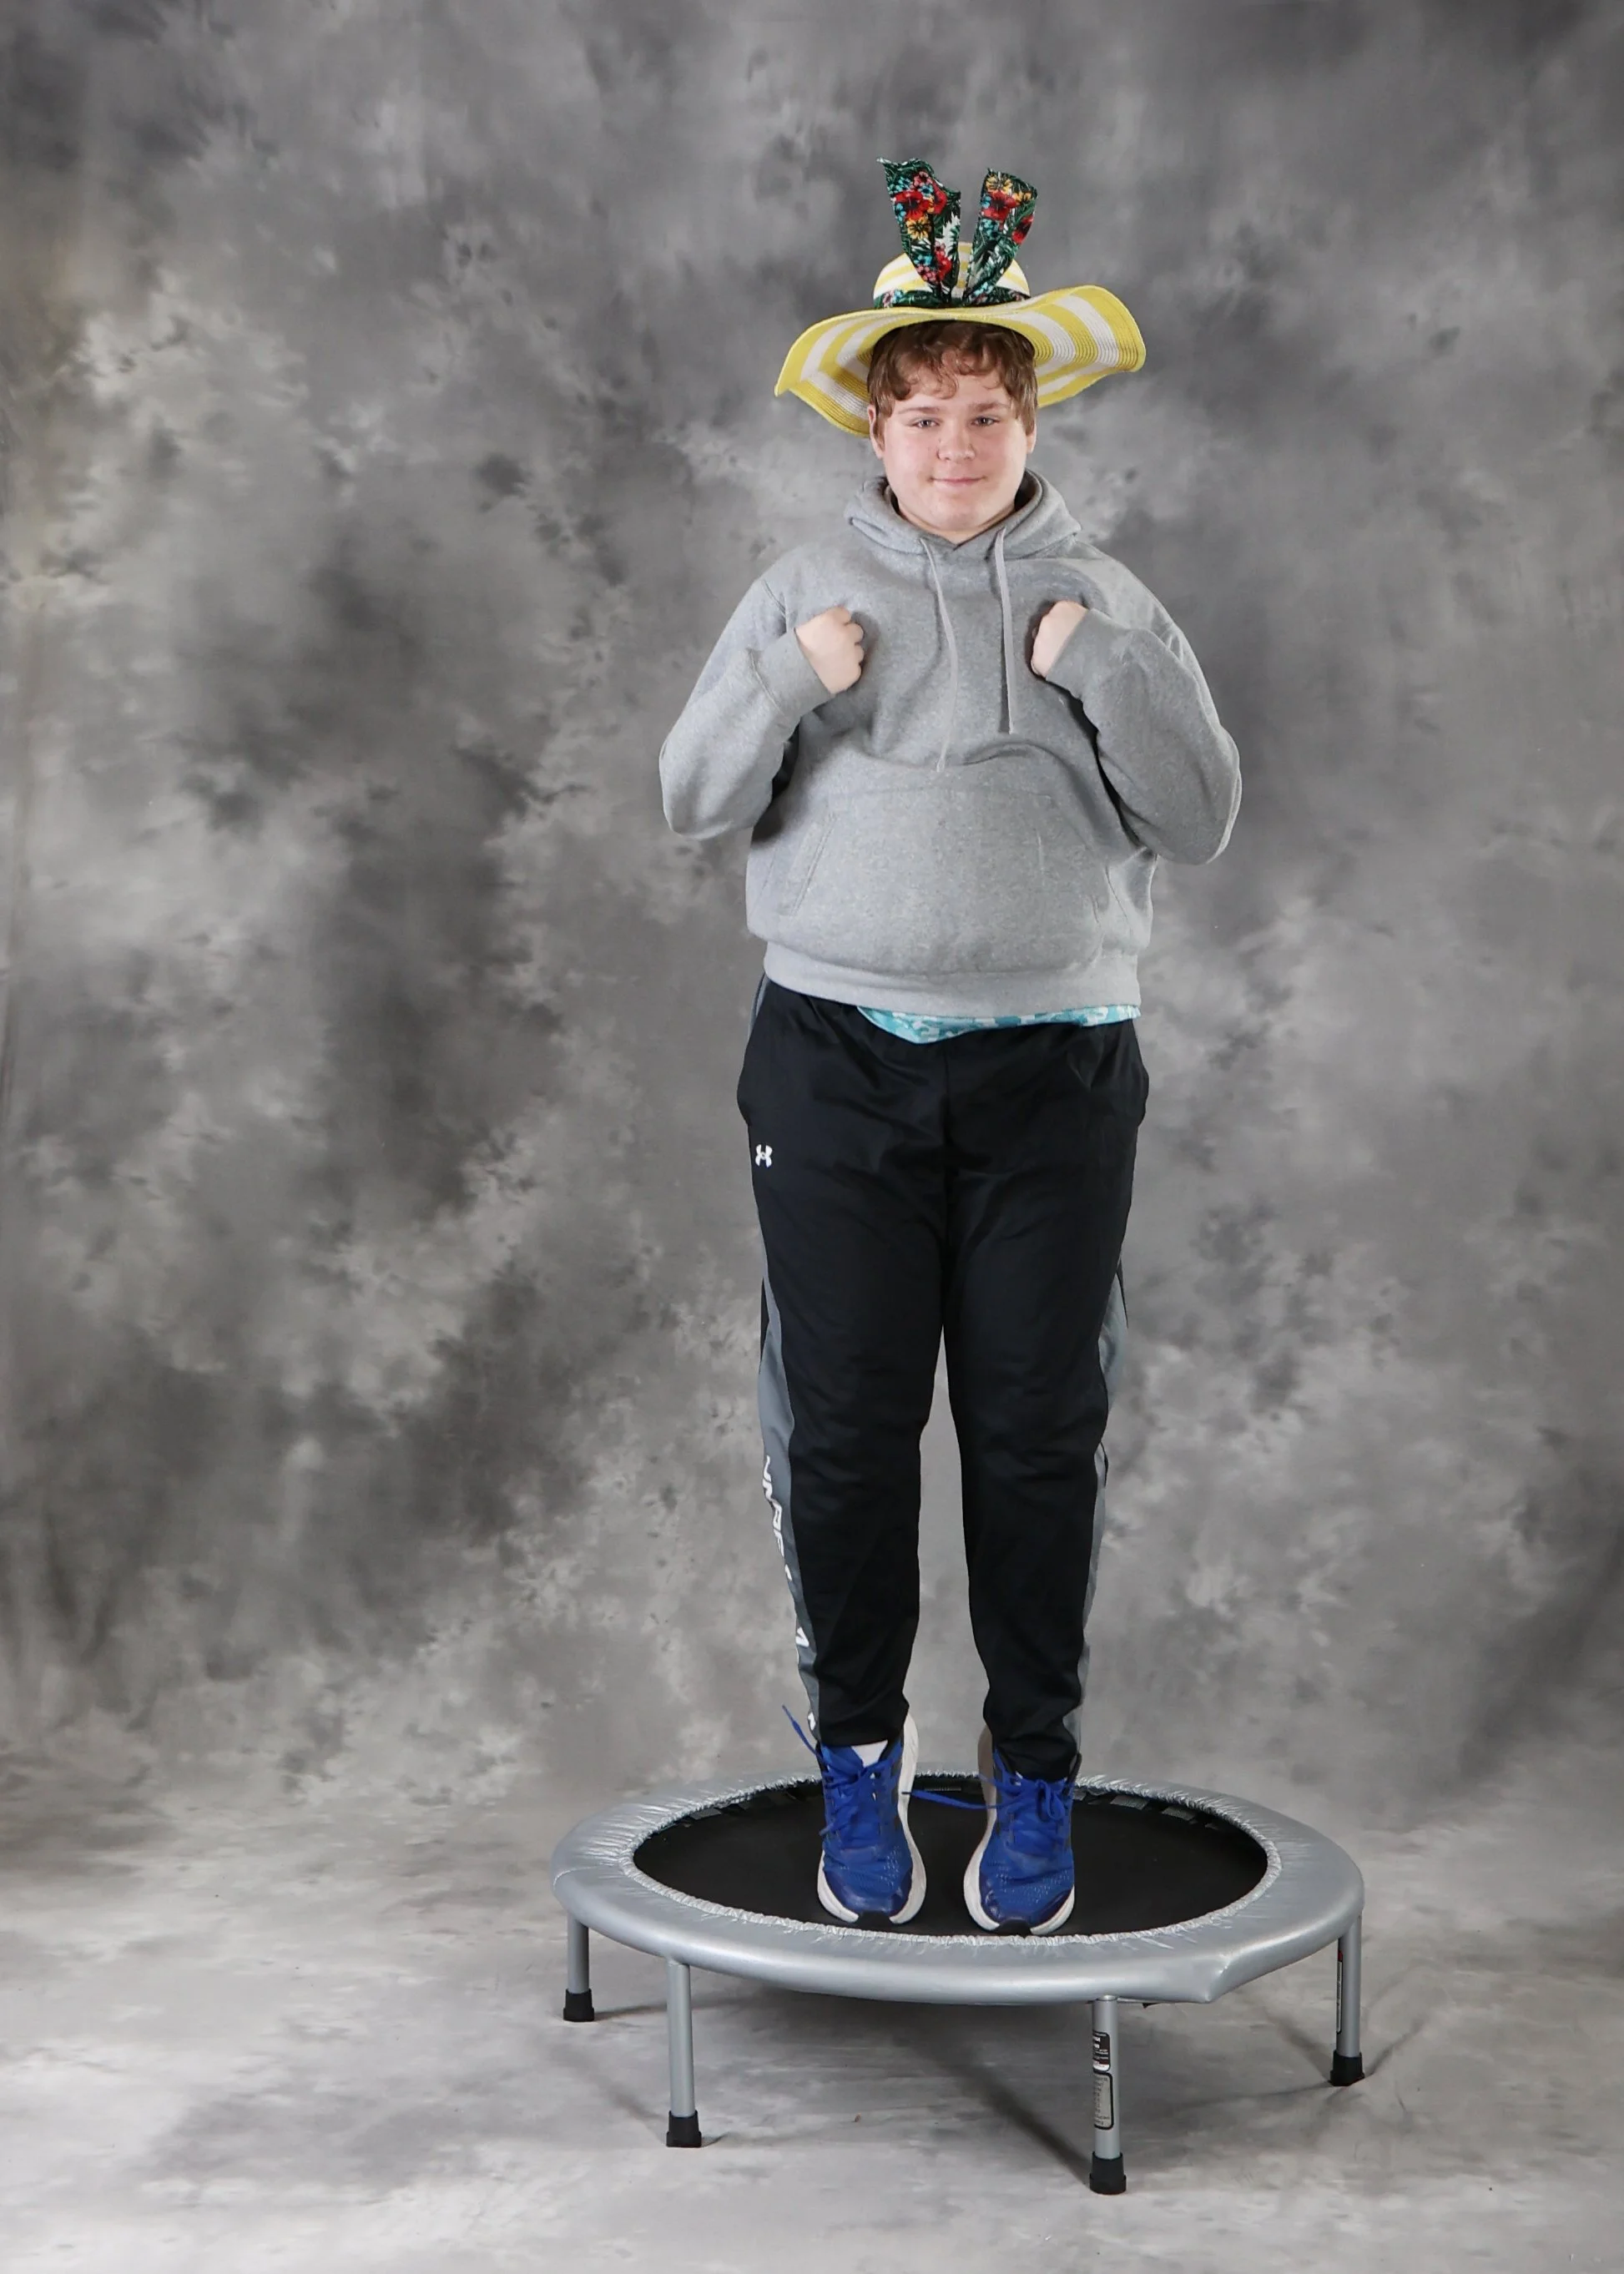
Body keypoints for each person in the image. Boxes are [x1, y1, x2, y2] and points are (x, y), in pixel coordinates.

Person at [658, 159, 1240, 1934]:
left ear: (1028, 421)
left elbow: (1202, 819)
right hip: (833, 1058)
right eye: (920, 417)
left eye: (984, 414)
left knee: (1035, 1436)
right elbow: (691, 799)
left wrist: (1100, 670)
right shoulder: (800, 591)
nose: (953, 446)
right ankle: (857, 1751)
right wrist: (790, 679)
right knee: (843, 1432)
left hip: (1051, 1069)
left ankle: (1031, 1768)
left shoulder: (1107, 598)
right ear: (875, 428)